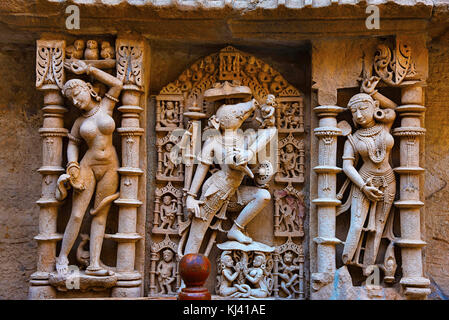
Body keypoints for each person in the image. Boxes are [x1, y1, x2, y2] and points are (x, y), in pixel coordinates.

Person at [55, 59, 123, 276]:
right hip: (88, 165)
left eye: (77, 95)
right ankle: (63, 256)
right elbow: (73, 143)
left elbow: (117, 84)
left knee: (100, 214)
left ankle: (94, 263)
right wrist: (72, 165)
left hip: (111, 165)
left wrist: (89, 69)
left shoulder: (106, 106)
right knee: (77, 215)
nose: (75, 102)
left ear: (89, 89)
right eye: (71, 100)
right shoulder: (78, 122)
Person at [341, 88, 396, 272]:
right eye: (354, 112)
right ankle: (346, 262)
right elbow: (347, 166)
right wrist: (363, 187)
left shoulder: (385, 126)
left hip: (388, 180)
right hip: (364, 180)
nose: (359, 115)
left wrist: (374, 93)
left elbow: (394, 109)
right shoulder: (353, 138)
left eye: (363, 108)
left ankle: (368, 265)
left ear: (374, 107)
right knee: (356, 226)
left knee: (378, 228)